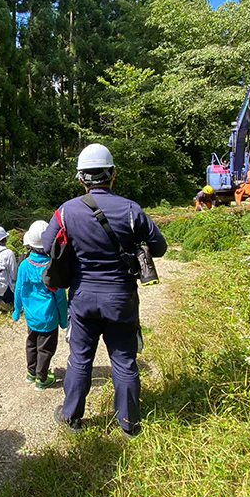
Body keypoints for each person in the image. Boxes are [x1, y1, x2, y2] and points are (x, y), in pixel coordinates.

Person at [42, 144, 167, 437]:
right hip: (121, 298)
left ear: (80, 179)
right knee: (124, 360)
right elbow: (159, 247)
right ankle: (129, 424)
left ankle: (72, 417)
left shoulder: (65, 212)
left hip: (83, 299)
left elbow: (49, 246)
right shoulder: (131, 209)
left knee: (80, 359)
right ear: (112, 174)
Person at [13, 220, 68, 391]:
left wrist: (16, 310)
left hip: (31, 316)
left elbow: (18, 290)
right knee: (46, 348)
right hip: (48, 317)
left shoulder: (24, 265)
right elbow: (60, 297)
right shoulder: (52, 267)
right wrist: (64, 320)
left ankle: (31, 372)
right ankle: (42, 378)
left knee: (31, 343)